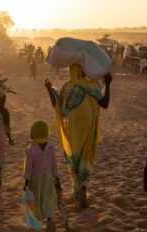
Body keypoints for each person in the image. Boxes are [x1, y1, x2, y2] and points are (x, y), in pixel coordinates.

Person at [45, 65, 112, 208]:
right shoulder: (90, 85)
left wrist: (49, 89)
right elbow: (104, 104)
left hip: (74, 126)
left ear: (70, 71)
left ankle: (78, 186)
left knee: (76, 154)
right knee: (85, 154)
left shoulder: (66, 87)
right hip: (87, 124)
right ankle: (83, 188)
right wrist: (108, 84)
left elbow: (57, 107)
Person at [23, 120, 61, 232]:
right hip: (48, 179)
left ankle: (36, 226)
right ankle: (50, 222)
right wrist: (57, 181)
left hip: (36, 180)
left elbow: (28, 169)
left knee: (35, 203)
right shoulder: (50, 147)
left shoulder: (31, 150)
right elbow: (54, 165)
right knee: (48, 201)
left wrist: (26, 183)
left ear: (33, 133)